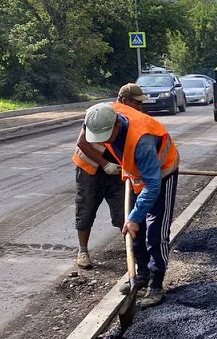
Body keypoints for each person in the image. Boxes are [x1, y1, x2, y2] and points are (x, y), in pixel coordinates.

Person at [79, 98, 180, 308]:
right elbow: (84, 141)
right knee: (134, 230)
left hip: (161, 173)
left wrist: (135, 216)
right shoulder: (99, 115)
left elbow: (152, 186)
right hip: (135, 173)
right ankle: (141, 274)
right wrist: (134, 219)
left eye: (107, 136)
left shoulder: (142, 140)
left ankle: (156, 284)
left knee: (156, 231)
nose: (103, 141)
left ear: (116, 124)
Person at [72, 102, 125, 269]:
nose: (138, 105)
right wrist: (104, 164)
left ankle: (133, 251)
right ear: (123, 99)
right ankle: (83, 251)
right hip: (90, 170)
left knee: (124, 211)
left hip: (116, 171)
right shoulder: (99, 114)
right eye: (134, 101)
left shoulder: (127, 119)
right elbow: (82, 142)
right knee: (85, 209)